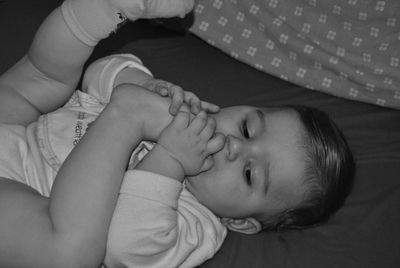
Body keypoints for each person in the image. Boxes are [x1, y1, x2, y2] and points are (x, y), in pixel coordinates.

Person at [0, 0, 354, 267]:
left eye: (249, 173)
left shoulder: (196, 225)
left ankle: (125, 115)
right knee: (46, 77)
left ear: (240, 221)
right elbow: (99, 74)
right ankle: (107, 7)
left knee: (70, 255)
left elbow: (126, 245)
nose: (233, 145)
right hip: (17, 124)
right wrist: (141, 83)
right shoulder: (187, 114)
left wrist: (166, 158)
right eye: (246, 128)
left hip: (15, 185)